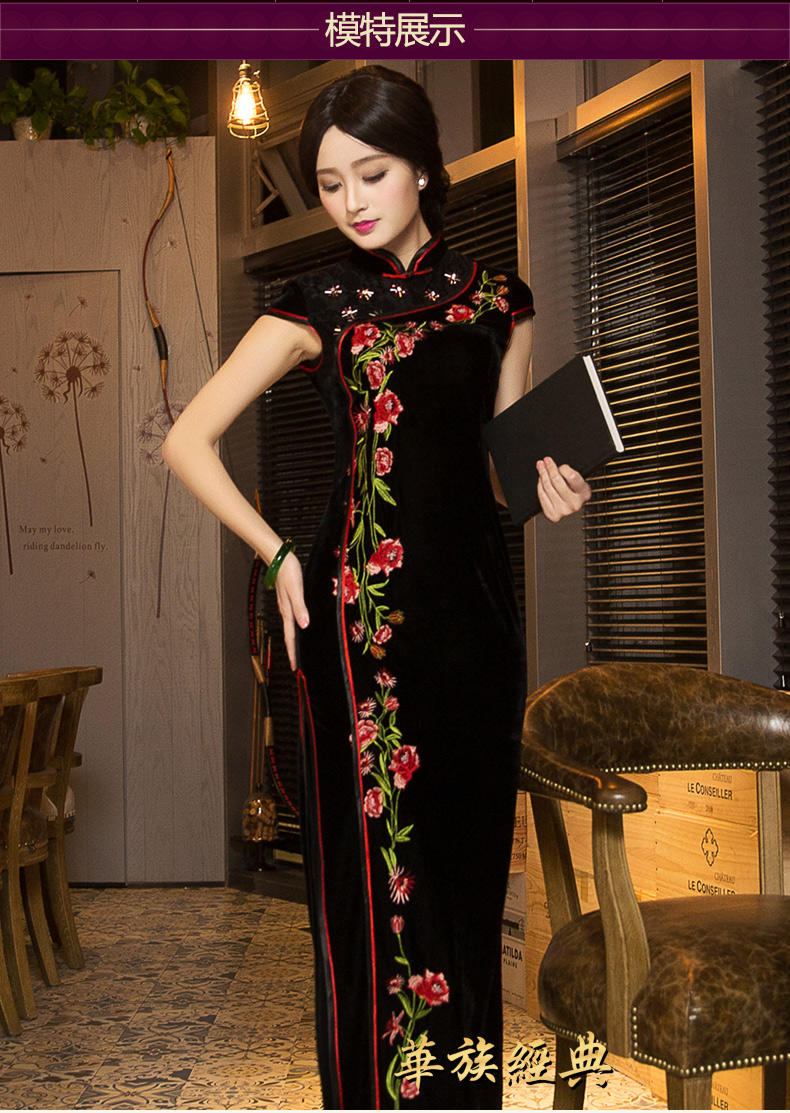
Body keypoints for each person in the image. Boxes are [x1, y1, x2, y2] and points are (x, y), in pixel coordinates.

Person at [162, 64, 590, 1110]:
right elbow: (186, 440)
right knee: (372, 897)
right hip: (361, 629)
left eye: (372, 172)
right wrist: (277, 554)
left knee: (467, 880)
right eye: (329, 182)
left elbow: (497, 472)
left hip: (478, 628)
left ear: (424, 168)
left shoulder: (498, 299)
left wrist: (552, 487)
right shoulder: (318, 303)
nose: (351, 200)